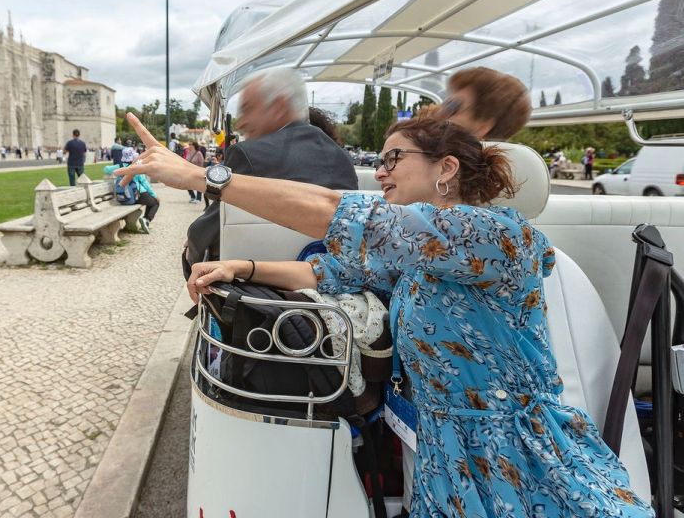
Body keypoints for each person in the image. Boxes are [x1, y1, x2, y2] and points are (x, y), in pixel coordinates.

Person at [116, 112, 653, 518]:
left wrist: (202, 176)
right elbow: (331, 273)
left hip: (521, 460)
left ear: (446, 169)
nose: (381, 171)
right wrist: (242, 265)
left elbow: (332, 211)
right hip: (447, 457)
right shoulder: (423, 255)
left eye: (394, 158)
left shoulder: (493, 235)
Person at [185, 67, 357, 265]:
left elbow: (206, 232)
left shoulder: (248, 155)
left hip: (257, 286)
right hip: (333, 280)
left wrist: (190, 253)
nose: (241, 123)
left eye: (248, 109)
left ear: (279, 107)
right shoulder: (342, 157)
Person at [432, 66, 532, 140]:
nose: (439, 112)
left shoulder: (435, 164)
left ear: (482, 128)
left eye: (453, 106)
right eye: (446, 102)